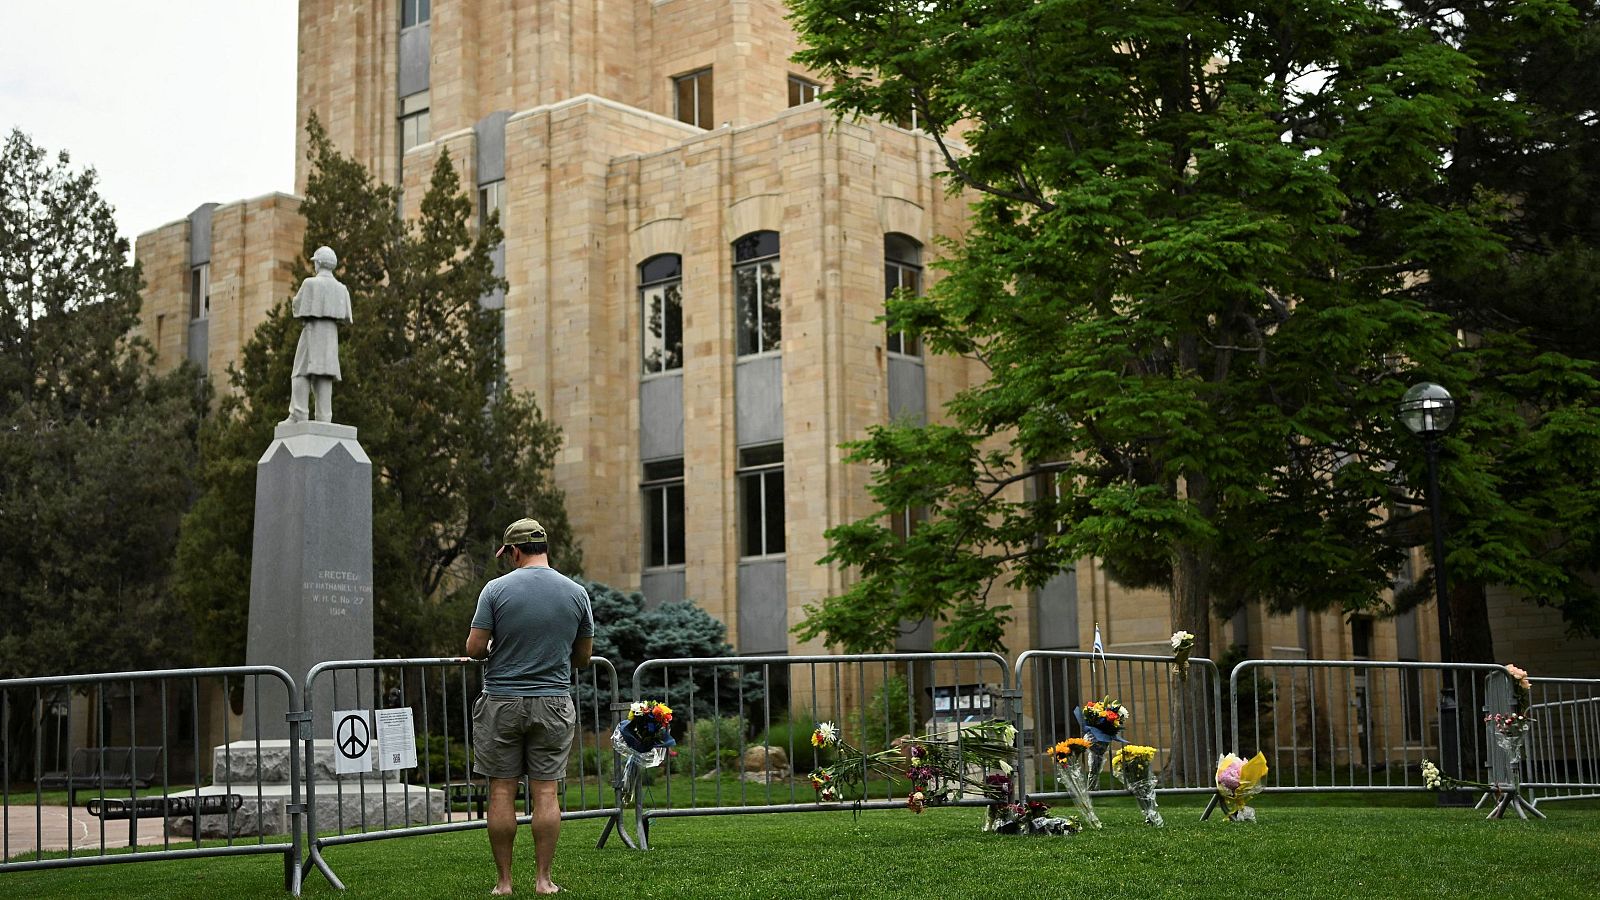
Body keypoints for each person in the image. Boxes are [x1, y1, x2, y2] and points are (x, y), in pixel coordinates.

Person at [466, 517, 592, 896]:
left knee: (502, 791)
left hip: (502, 701)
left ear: (515, 550)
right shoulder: (576, 593)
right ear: (545, 547)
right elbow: (583, 658)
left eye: (508, 554)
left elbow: (474, 648)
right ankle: (543, 880)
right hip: (553, 703)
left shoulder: (495, 590)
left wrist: (493, 650)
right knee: (545, 793)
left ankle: (504, 883)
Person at [281, 245, 353, 424]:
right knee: (324, 375)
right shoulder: (341, 289)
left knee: (300, 373)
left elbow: (297, 308)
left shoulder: (310, 283)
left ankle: (299, 413)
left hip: (312, 332)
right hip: (330, 335)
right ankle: (324, 417)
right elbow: (346, 315)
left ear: (319, 263)